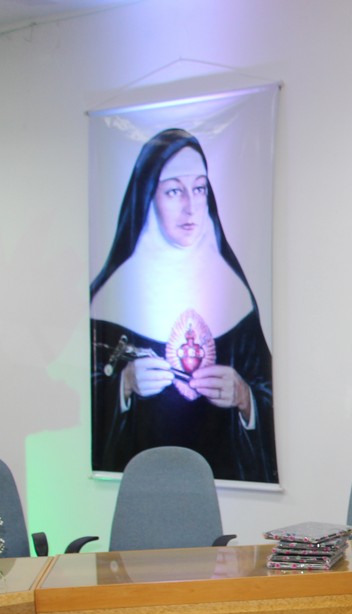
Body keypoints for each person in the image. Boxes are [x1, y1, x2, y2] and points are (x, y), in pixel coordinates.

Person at [89, 128, 278, 483]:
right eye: (174, 191)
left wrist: (244, 397)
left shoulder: (234, 292)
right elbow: (85, 404)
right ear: (149, 195)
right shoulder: (112, 298)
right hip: (140, 477)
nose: (191, 206)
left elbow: (267, 395)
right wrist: (124, 385)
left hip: (228, 483)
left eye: (200, 189)